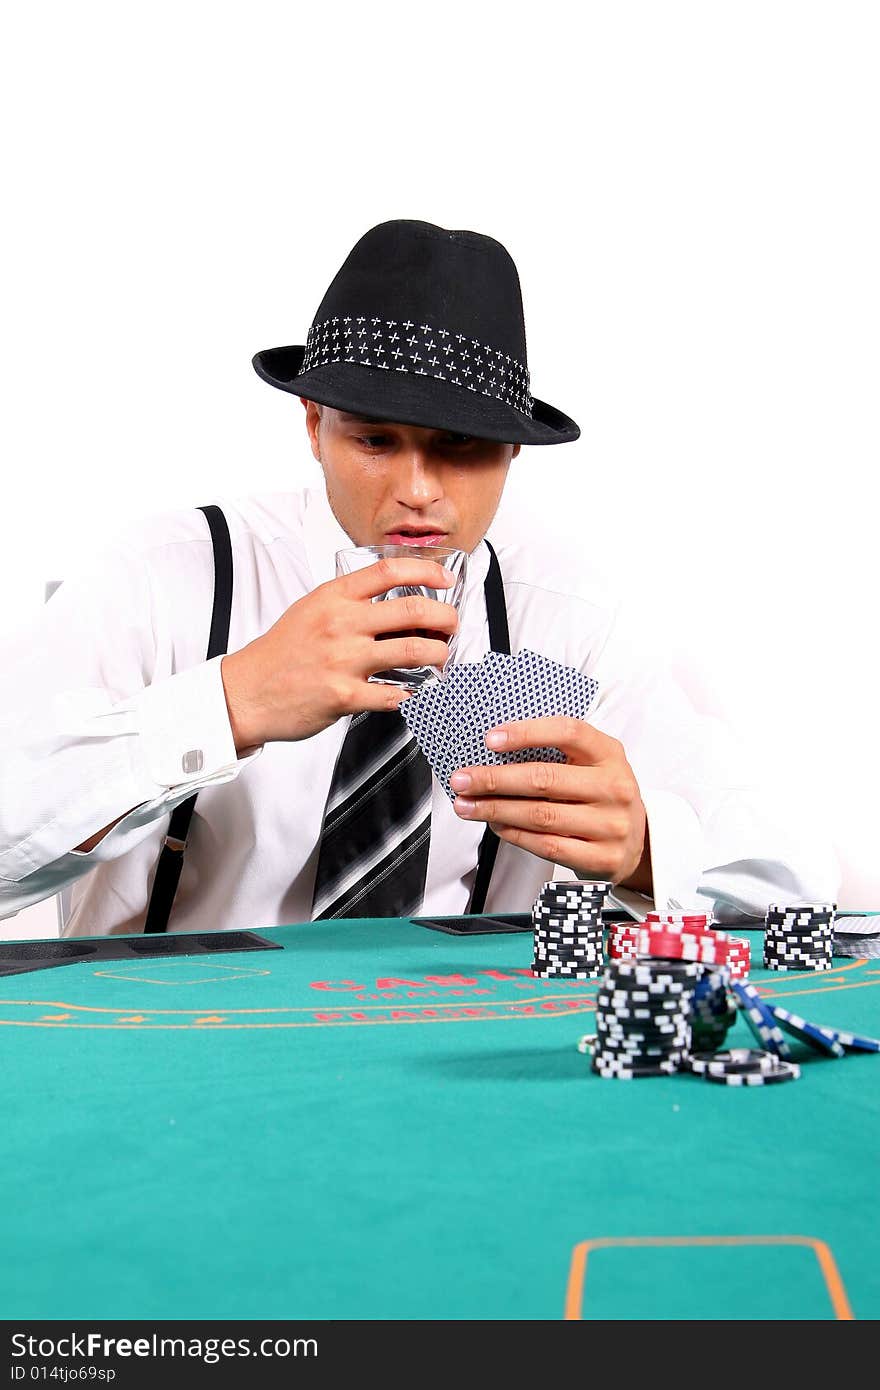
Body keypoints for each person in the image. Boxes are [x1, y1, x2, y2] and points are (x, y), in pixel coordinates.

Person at [0, 220, 838, 936]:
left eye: (460, 447)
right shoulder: (163, 577)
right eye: (375, 441)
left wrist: (649, 848)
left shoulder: (570, 620)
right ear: (313, 425)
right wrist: (229, 703)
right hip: (174, 1051)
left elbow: (798, 876)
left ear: (512, 452)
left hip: (445, 1059)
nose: (418, 491)